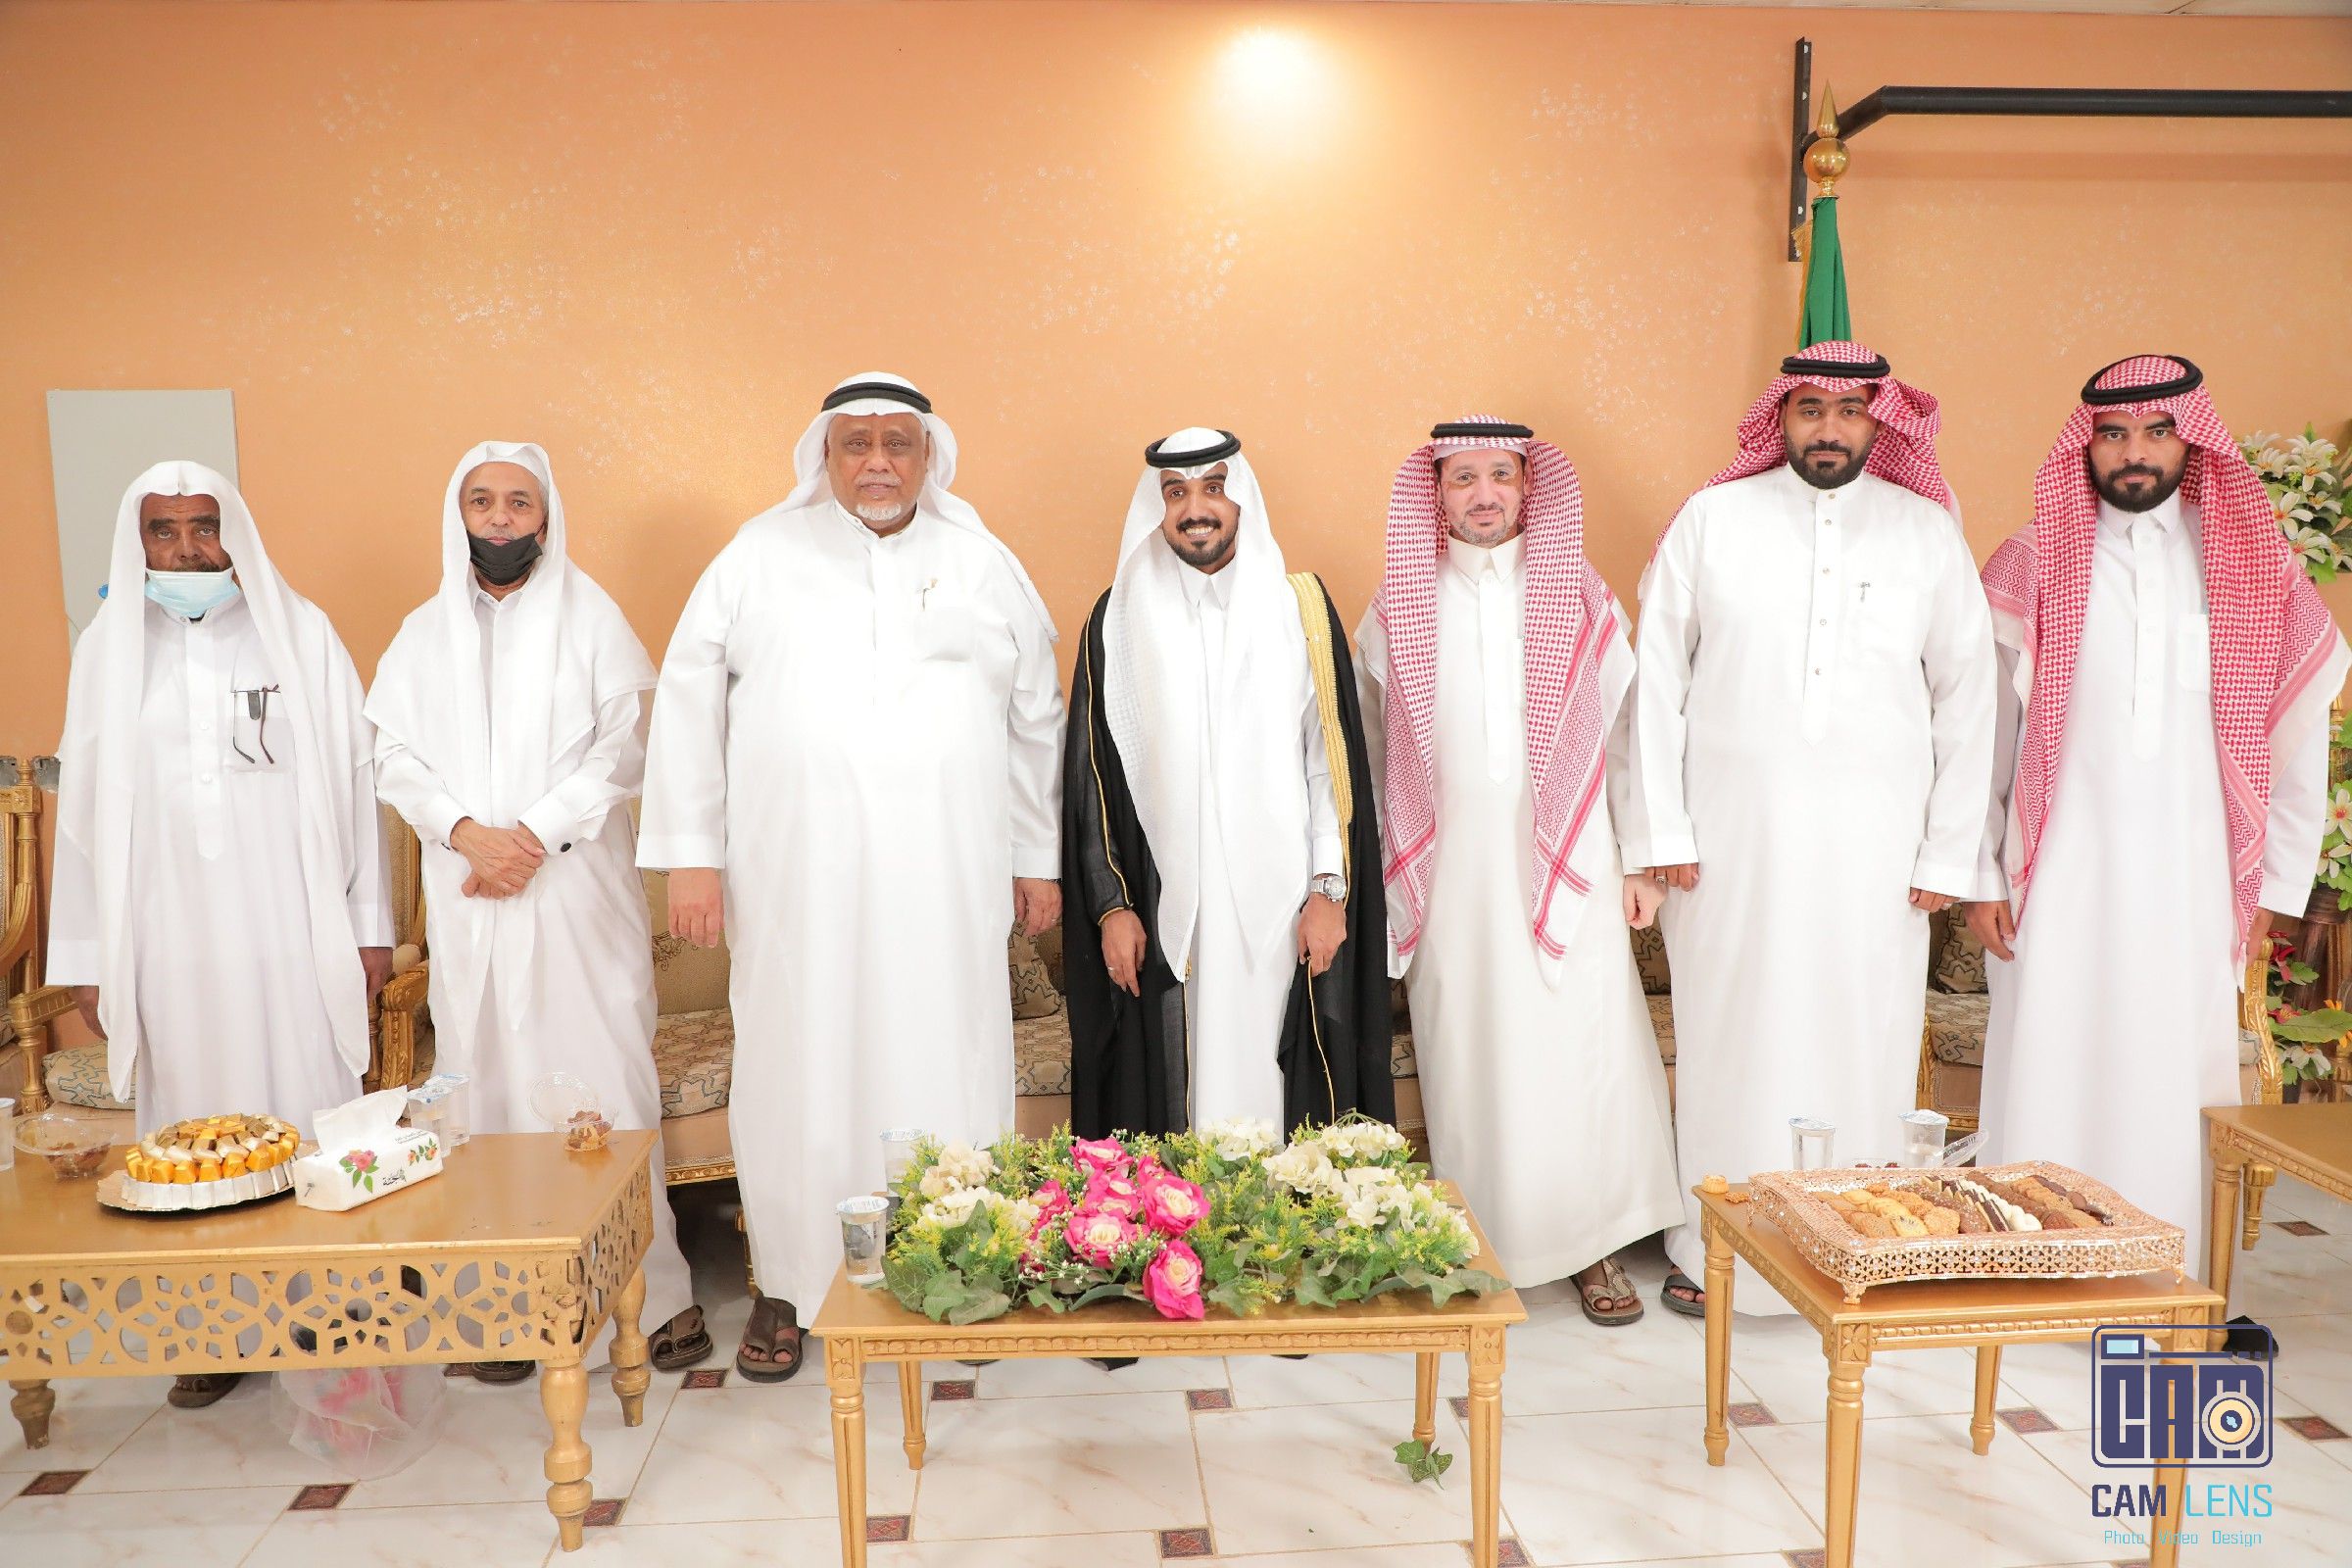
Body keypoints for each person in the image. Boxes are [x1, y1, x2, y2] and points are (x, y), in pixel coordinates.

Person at [640, 373, 1063, 1382]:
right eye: (856, 443)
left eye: (897, 443)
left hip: (946, 875)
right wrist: (693, 857)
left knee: (945, 1050)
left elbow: (1035, 717)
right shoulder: (756, 557)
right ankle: (790, 1282)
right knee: (800, 1060)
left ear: (929, 456)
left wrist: (1036, 857)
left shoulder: (982, 563)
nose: (877, 461)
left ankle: (956, 1262)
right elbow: (688, 707)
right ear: (824, 455)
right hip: (798, 877)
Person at [1628, 343, 1996, 1315]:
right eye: (1810, 410)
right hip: (1728, 846)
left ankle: (1856, 1243)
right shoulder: (1712, 520)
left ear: (1879, 421)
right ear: (1780, 418)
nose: (1829, 428)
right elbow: (1655, 679)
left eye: (1849, 410)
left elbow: (1969, 697)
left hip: (1879, 850)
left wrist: (1949, 848)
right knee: (1730, 1036)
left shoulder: (1926, 533)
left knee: (1864, 1033)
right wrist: (1660, 830)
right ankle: (1713, 1244)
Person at [1972, 355, 2349, 1264]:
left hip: (2194, 880)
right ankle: (2034, 1272)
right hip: (2055, 877)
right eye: (2112, 434)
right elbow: (1985, 732)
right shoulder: (2033, 560)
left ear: (2193, 440)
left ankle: (2160, 1277)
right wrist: (1983, 869)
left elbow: (2297, 740)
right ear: (2086, 444)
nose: (2133, 451)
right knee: (2048, 1062)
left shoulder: (2252, 564)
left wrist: (2275, 889)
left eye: (2156, 431)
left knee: (2172, 1079)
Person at [49, 462, 392, 1407]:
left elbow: (357, 787)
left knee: (307, 1105)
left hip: (292, 929)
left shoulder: (302, 634)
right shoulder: (107, 651)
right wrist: (86, 957)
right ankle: (214, 1327)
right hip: (169, 943)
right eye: (164, 532)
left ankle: (330, 1312)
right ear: (138, 545)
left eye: (204, 527)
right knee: (189, 1133)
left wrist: (369, 928)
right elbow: (80, 821)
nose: (188, 549)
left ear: (234, 532)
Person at [369, 442, 707, 1380]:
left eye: (519, 502)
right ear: (460, 516)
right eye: (483, 501)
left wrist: (531, 837)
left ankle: (651, 1297)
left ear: (546, 517)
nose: (501, 518)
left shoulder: (592, 618)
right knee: (484, 1089)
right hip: (470, 893)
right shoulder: (422, 634)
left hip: (575, 892)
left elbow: (624, 748)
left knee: (604, 1078)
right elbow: (393, 758)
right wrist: (466, 834)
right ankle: (507, 1303)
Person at [1357, 417, 1681, 1321]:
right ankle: (1481, 1238)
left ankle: (1595, 1249)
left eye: (1501, 474)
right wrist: (1383, 880)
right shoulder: (1397, 606)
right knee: (1475, 1057)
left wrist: (1642, 860)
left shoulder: (1580, 596)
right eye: (1464, 478)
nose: (1485, 494)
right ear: (1436, 493)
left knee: (1581, 1053)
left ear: (1530, 487)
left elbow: (1629, 738)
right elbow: (1376, 755)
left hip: (1574, 861)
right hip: (1450, 877)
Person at [1062, 427, 1390, 1140]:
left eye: (1214, 488)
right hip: (1170, 908)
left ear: (1241, 499)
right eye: (1176, 493)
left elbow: (1328, 765)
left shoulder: (1299, 609)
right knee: (1178, 1092)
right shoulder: (1117, 619)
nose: (1196, 508)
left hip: (1284, 907)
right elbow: (1093, 773)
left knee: (1284, 1090)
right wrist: (1113, 907)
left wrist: (1328, 891)